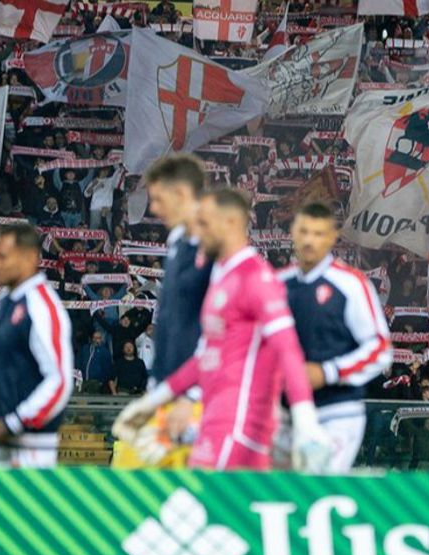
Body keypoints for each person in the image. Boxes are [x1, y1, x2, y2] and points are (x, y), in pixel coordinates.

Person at [112, 189, 330, 472]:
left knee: (202, 508)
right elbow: (207, 357)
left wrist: (305, 421)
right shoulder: (221, 278)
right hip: (215, 422)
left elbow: (288, 349)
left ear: (229, 223)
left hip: (241, 425)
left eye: (205, 224)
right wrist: (155, 400)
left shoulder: (257, 278)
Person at [277, 201, 392, 473]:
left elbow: (379, 349)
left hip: (337, 411)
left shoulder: (351, 283)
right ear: (292, 232)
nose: (309, 240)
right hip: (283, 414)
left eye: (318, 234)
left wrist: (328, 372)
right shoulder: (277, 283)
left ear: (332, 237)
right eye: (304, 232)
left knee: (316, 491)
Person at [125, 155, 210, 468]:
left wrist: (191, 396)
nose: (155, 209)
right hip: (171, 392)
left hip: (198, 400)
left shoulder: (212, 244)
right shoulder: (177, 241)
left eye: (158, 199)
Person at [0, 223, 73, 467]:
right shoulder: (6, 300)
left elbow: (60, 381)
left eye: (1, 256)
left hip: (29, 447)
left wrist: (13, 423)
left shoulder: (42, 306)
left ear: (29, 258)